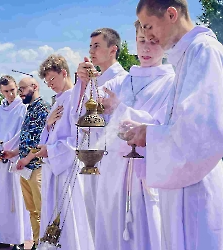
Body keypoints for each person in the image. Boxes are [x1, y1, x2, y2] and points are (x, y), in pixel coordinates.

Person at [123, 1, 223, 249]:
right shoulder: (187, 55)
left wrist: (150, 134)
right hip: (184, 188)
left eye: (148, 26)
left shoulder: (204, 51)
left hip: (197, 190)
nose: (147, 35)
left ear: (171, 14)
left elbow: (202, 131)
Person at [93, 20, 175, 250]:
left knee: (144, 231)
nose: (147, 48)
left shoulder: (171, 83)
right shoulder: (120, 81)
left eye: (154, 42)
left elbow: (164, 126)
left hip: (145, 171)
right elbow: (92, 114)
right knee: (111, 228)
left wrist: (120, 108)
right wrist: (85, 85)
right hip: (113, 169)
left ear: (166, 44)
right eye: (141, 41)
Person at [70, 27, 127, 238]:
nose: (92, 51)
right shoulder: (94, 81)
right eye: (90, 46)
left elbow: (123, 121)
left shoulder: (124, 80)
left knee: (112, 220)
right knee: (92, 217)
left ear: (113, 49)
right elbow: (74, 116)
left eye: (97, 46)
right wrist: (82, 83)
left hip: (111, 158)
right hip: (89, 157)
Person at [36, 55, 94, 249]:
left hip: (68, 168)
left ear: (64, 72)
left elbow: (78, 138)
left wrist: (51, 151)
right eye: (47, 82)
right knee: (52, 216)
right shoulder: (57, 101)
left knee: (69, 219)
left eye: (52, 79)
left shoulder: (74, 98)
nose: (50, 84)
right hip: (54, 168)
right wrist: (47, 123)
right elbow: (49, 135)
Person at [0, 75, 32, 250]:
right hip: (0, 162)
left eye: (12, 90)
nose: (10, 94)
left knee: (16, 201)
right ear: (0, 91)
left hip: (15, 160)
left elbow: (23, 133)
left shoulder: (23, 109)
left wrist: (8, 149)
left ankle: (18, 240)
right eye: (6, 91)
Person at [4, 77, 49, 250]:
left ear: (35, 87)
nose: (20, 93)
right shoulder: (29, 109)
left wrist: (26, 159)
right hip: (26, 167)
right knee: (32, 210)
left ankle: (45, 244)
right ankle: (37, 243)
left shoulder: (43, 108)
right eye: (19, 89)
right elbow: (27, 139)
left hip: (37, 166)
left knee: (41, 209)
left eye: (23, 89)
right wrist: (14, 153)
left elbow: (40, 140)